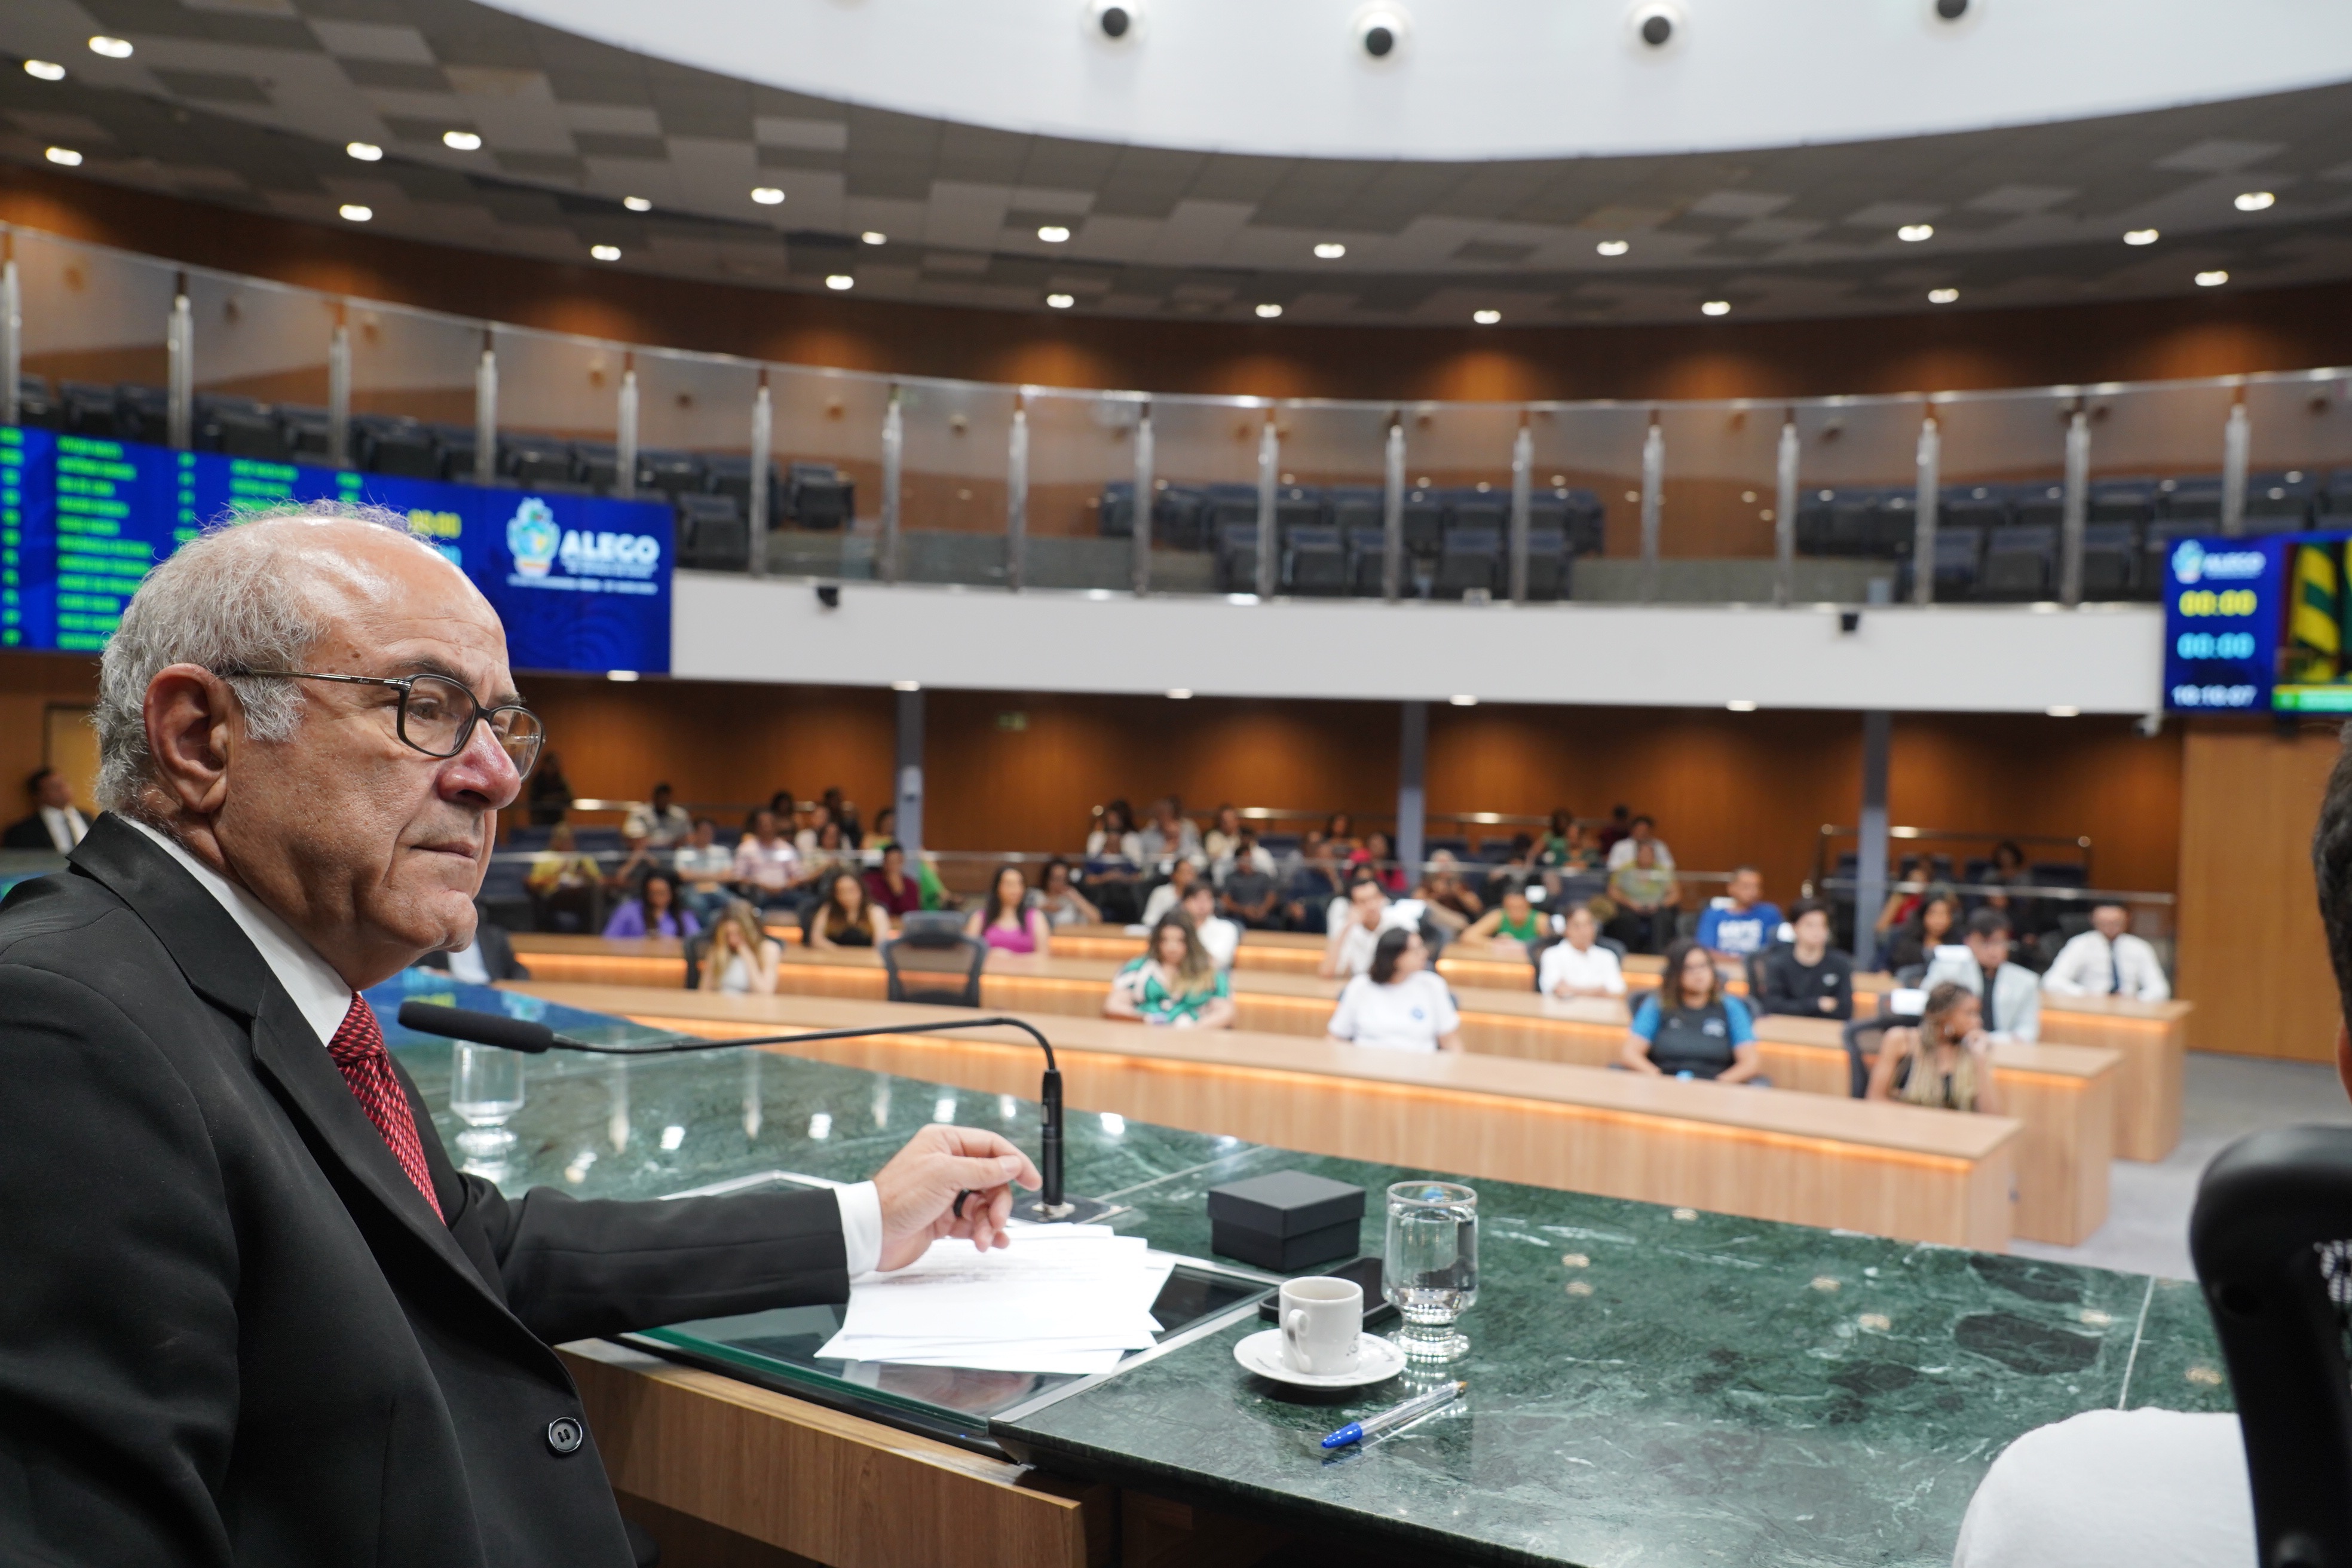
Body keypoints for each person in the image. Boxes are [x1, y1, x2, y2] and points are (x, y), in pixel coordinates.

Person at [0, 504, 1042, 1568]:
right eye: (425, 706)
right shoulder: (60, 1028)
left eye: (501, 725)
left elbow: (471, 1250)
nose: (496, 775)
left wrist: (864, 1220)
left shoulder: (270, 986)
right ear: (201, 738)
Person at [1621, 938, 1764, 1083]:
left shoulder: (1731, 1006)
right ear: (1675, 975)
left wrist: (1719, 1084)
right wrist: (1658, 1078)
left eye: (1703, 966)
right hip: (1664, 1084)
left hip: (1715, 1086)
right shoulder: (1658, 1004)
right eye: (1689, 968)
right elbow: (1630, 1053)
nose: (1698, 973)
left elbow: (1750, 1062)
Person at [1865, 981, 2004, 1114]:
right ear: (1945, 1016)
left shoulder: (1971, 1050)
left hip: (1955, 1129)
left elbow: (1991, 1116)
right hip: (1905, 1126)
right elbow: (1875, 1099)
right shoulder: (1902, 1040)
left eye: (1977, 1014)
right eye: (1969, 1013)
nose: (1978, 1021)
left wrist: (1980, 1060)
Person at [1326, 927, 1462, 1053]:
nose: (1424, 954)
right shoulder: (1360, 986)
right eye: (1416, 951)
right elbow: (1335, 1037)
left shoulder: (1432, 985)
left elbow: (1450, 1042)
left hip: (1419, 1065)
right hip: (1366, 1064)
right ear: (1396, 958)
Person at [1924, 907, 2042, 1042]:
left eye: (1999, 942)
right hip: (1953, 1044)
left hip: (2002, 1048)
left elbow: (2028, 1031)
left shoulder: (2026, 981)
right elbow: (1931, 1014)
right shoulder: (1947, 971)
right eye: (1985, 943)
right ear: (1968, 942)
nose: (1993, 950)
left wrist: (1988, 1040)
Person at [1104, 912, 1235, 1028]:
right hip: (1145, 1036)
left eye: (1180, 941)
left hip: (1194, 1037)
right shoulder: (1138, 968)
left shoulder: (1209, 973)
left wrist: (1192, 1030)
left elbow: (1225, 1012)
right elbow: (1113, 1005)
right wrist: (1146, 1019)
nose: (1172, 948)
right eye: (1165, 940)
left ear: (1191, 943)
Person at [2042, 901, 2172, 1002]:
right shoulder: (2080, 944)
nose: (2110, 927)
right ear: (2093, 920)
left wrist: (2136, 1000)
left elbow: (2160, 989)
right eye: (2104, 923)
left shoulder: (2140, 947)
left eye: (2116, 923)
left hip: (2130, 1008)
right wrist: (2086, 995)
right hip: (2090, 1006)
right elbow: (2052, 981)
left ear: (2127, 919)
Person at [1754, 898, 1855, 1019]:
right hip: (1786, 1025)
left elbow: (1845, 1010)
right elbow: (1773, 1006)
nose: (1817, 931)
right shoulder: (1777, 963)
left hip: (1826, 1027)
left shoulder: (1841, 963)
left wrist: (1795, 1006)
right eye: (1810, 925)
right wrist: (1817, 1004)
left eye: (1823, 925)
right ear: (1794, 927)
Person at [416, 902, 531, 982]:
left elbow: (518, 970)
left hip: (489, 991)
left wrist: (508, 987)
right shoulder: (433, 935)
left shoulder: (494, 937)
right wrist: (432, 973)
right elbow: (415, 968)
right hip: (451, 991)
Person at [526, 819, 604, 933]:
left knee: (594, 894)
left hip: (580, 896)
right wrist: (557, 873)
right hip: (554, 896)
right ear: (555, 841)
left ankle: (594, 934)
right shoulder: (545, 858)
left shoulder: (583, 858)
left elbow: (599, 880)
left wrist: (586, 875)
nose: (567, 843)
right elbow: (535, 882)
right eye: (563, 840)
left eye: (569, 840)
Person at [1605, 837, 1679, 954]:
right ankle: (1628, 954)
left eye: (1649, 854)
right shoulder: (1625, 869)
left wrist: (1659, 905)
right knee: (1625, 919)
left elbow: (1675, 894)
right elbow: (1613, 891)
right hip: (1630, 907)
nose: (1645, 856)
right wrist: (1630, 903)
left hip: (1657, 908)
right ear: (1637, 854)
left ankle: (1658, 954)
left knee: (1663, 919)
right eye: (1643, 853)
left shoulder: (1663, 871)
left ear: (1654, 856)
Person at [1538, 903, 1627, 999]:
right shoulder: (1552, 955)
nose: (1583, 931)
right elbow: (1558, 991)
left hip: (1599, 1008)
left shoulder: (1608, 956)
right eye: (1577, 926)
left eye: (1588, 925)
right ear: (1566, 929)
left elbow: (1618, 992)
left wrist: (1573, 990)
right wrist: (1598, 991)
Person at [1695, 865, 1783, 963]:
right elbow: (1706, 951)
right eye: (1746, 886)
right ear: (1731, 888)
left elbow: (1778, 949)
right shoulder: (1713, 915)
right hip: (1721, 966)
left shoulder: (1770, 913)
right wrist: (1738, 961)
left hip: (1758, 968)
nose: (1752, 891)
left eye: (1756, 887)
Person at [967, 862, 1052, 956]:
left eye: (1020, 884)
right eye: (1009, 884)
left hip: (1024, 965)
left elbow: (1043, 955)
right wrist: (992, 955)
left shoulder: (1036, 917)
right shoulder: (979, 918)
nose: (1015, 889)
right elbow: (968, 954)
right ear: (997, 888)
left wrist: (1010, 958)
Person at [700, 897, 781, 994]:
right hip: (720, 1002)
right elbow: (704, 991)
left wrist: (747, 955)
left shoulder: (769, 949)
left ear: (750, 931)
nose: (732, 940)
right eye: (728, 934)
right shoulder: (718, 949)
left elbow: (765, 992)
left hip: (753, 1003)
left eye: (738, 933)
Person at [1320, 871, 1392, 979]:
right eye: (1363, 901)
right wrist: (1346, 928)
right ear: (1353, 906)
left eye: (1374, 898)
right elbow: (1327, 972)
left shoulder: (1397, 925)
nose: (1371, 906)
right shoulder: (1349, 928)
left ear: (1382, 899)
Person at [731, 806, 800, 911]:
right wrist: (760, 885)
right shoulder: (746, 849)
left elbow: (797, 875)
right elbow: (738, 876)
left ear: (776, 826)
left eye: (770, 824)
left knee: (807, 902)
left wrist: (783, 887)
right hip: (758, 892)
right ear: (757, 827)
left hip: (784, 892)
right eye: (763, 824)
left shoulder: (786, 848)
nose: (767, 827)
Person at [3, 766, 88, 850]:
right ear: (39, 795)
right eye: (55, 787)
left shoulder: (87, 818)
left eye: (64, 784)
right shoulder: (22, 832)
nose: (63, 789)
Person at [807, 867, 891, 950]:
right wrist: (840, 953)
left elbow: (880, 944)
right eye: (841, 891)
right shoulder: (828, 910)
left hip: (867, 958)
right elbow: (816, 939)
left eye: (851, 890)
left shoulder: (876, 912)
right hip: (833, 957)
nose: (847, 896)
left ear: (861, 890)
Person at [603, 868, 700, 940]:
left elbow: (696, 943)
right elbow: (608, 940)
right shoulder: (628, 912)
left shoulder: (684, 916)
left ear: (673, 893)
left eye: (662, 893)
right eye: (653, 893)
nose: (657, 898)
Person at [672, 814, 735, 924]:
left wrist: (696, 876)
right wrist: (716, 875)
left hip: (717, 889)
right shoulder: (683, 852)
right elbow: (683, 876)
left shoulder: (722, 851)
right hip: (692, 890)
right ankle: (708, 932)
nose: (707, 835)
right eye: (704, 832)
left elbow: (728, 876)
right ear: (695, 833)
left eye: (710, 832)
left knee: (736, 904)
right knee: (697, 904)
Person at [1884, 886, 1960, 973]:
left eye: (1944, 914)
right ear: (1923, 915)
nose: (1939, 920)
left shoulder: (1957, 944)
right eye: (1934, 913)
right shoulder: (1904, 938)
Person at [1460, 877, 1546, 953]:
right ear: (1505, 906)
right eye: (1511, 908)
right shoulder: (1498, 916)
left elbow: (1551, 944)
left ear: (1528, 905)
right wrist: (1495, 944)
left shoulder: (1540, 920)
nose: (1516, 912)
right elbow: (1468, 936)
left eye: (1520, 907)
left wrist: (1521, 946)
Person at [1281, 829, 1342, 931]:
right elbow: (1290, 899)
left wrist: (1332, 877)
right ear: (1315, 856)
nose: (1325, 861)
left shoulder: (1336, 876)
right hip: (1306, 915)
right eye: (1322, 856)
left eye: (1328, 857)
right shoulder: (1302, 875)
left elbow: (1342, 897)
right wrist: (1294, 908)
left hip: (1327, 914)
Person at [1218, 831, 1281, 929]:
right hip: (1239, 914)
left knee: (1275, 923)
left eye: (1250, 859)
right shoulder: (1230, 878)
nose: (1248, 863)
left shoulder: (1263, 876)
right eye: (1245, 860)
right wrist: (1244, 910)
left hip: (1262, 912)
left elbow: (1272, 895)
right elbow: (1225, 900)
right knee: (1235, 924)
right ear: (1237, 862)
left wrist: (1263, 909)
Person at [1414, 848, 1484, 934]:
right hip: (1433, 923)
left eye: (1446, 864)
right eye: (1440, 864)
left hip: (1458, 922)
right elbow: (1417, 902)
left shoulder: (1459, 884)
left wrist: (1458, 893)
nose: (1444, 867)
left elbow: (1477, 908)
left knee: (1461, 922)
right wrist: (1436, 895)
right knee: (1429, 904)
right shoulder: (1427, 884)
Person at [1179, 878, 1241, 969]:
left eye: (1207, 899)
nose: (1202, 904)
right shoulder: (1175, 927)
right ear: (1184, 903)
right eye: (1196, 898)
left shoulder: (1227, 928)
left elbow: (1218, 961)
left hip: (1212, 975)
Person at [1033, 856, 1102, 927]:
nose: (1059, 883)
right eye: (1055, 879)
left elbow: (1097, 919)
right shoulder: (1036, 895)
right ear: (1046, 879)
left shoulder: (1071, 898)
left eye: (1064, 879)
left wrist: (1076, 897)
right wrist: (1042, 907)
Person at [1138, 855, 1205, 928]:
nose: (1188, 876)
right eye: (1184, 872)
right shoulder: (1161, 893)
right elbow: (1150, 920)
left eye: (1191, 872)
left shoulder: (1202, 895)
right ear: (1174, 875)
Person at [865, 840, 926, 918]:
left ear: (903, 861)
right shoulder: (870, 881)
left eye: (897, 862)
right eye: (889, 862)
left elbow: (912, 915)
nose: (893, 866)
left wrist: (899, 893)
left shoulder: (911, 885)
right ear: (883, 862)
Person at [623, 781, 690, 848]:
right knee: (638, 851)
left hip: (673, 851)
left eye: (666, 797)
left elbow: (689, 837)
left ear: (670, 798)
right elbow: (635, 839)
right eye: (660, 797)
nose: (663, 800)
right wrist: (667, 842)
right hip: (646, 851)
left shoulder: (680, 814)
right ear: (654, 797)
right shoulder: (639, 812)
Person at [1138, 795, 1202, 864]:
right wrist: (1162, 854)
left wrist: (1182, 857)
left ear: (1171, 814)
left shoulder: (1186, 831)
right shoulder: (1146, 835)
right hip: (1156, 869)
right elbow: (1142, 861)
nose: (1163, 817)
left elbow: (1200, 858)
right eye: (1159, 814)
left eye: (1166, 813)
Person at [1604, 813, 1673, 871]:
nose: (1642, 833)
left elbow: (1669, 866)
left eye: (1645, 830)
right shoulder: (1621, 846)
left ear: (1650, 831)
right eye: (1639, 829)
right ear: (1633, 830)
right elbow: (1612, 866)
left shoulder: (1659, 846)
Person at [1350, 828, 1408, 894]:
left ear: (1388, 847)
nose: (1376, 846)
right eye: (1373, 843)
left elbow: (1399, 889)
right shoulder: (1361, 857)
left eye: (1379, 843)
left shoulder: (1392, 866)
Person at [527, 746, 571, 825]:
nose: (554, 767)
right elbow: (534, 799)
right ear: (545, 765)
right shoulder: (538, 780)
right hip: (540, 821)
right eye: (551, 764)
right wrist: (553, 798)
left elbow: (570, 797)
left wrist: (552, 798)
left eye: (556, 765)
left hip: (558, 821)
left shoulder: (560, 780)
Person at [1202, 803, 1247, 867]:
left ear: (1237, 821)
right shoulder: (1213, 837)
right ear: (1220, 822)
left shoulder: (1244, 835)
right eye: (1225, 821)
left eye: (1231, 820)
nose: (1229, 824)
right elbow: (1213, 859)